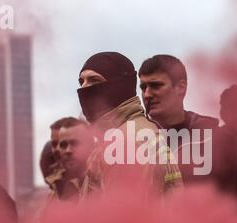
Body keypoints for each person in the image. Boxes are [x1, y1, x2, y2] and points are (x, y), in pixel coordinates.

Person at [77, 52, 182, 197]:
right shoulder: (127, 133)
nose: (84, 88)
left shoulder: (126, 141)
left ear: (119, 87)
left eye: (94, 81)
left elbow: (124, 215)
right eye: (81, 81)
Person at [139, 54, 219, 184]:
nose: (147, 94)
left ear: (180, 87)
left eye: (156, 85)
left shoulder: (214, 140)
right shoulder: (132, 141)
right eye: (143, 87)